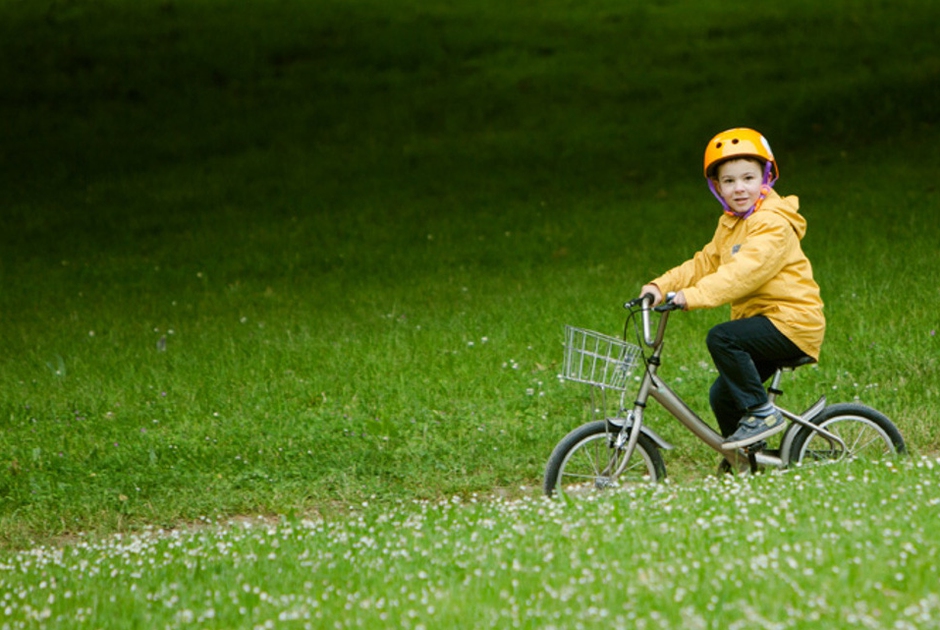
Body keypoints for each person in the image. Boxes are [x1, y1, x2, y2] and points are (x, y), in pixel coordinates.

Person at [639, 128, 825, 450]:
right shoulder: (732, 223)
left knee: (723, 337)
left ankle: (763, 414)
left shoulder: (772, 223)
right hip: (766, 321)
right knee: (723, 395)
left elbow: (744, 273)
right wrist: (660, 286)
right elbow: (704, 263)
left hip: (793, 323)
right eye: (729, 181)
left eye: (748, 178)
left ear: (766, 178)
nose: (739, 188)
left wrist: (692, 297)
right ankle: (747, 460)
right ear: (717, 187)